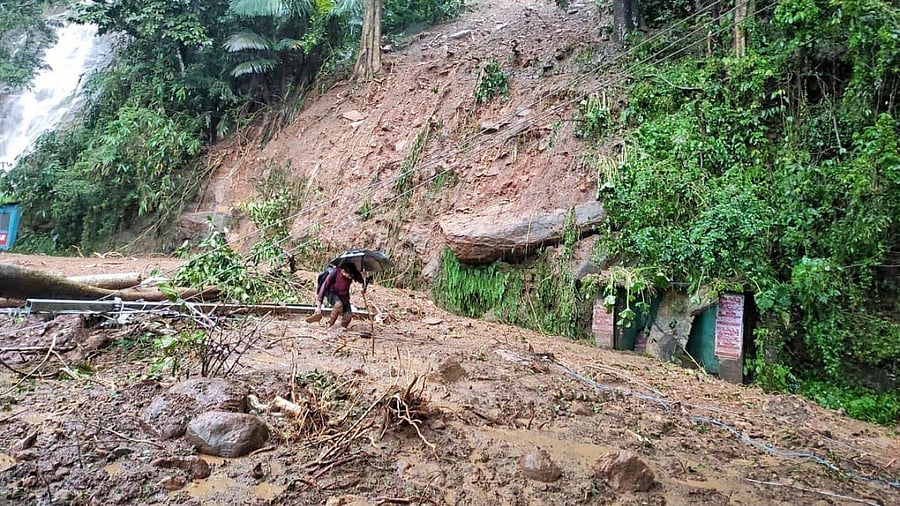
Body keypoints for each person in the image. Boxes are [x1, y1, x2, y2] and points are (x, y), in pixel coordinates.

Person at [308, 264, 367, 328]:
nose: (350, 278)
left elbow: (362, 282)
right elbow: (324, 287)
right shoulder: (334, 272)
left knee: (348, 316)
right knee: (338, 305)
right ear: (343, 271)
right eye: (349, 275)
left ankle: (341, 328)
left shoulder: (352, 273)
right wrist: (319, 306)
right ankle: (330, 325)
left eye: (352, 276)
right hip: (332, 293)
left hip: (344, 296)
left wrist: (364, 278)